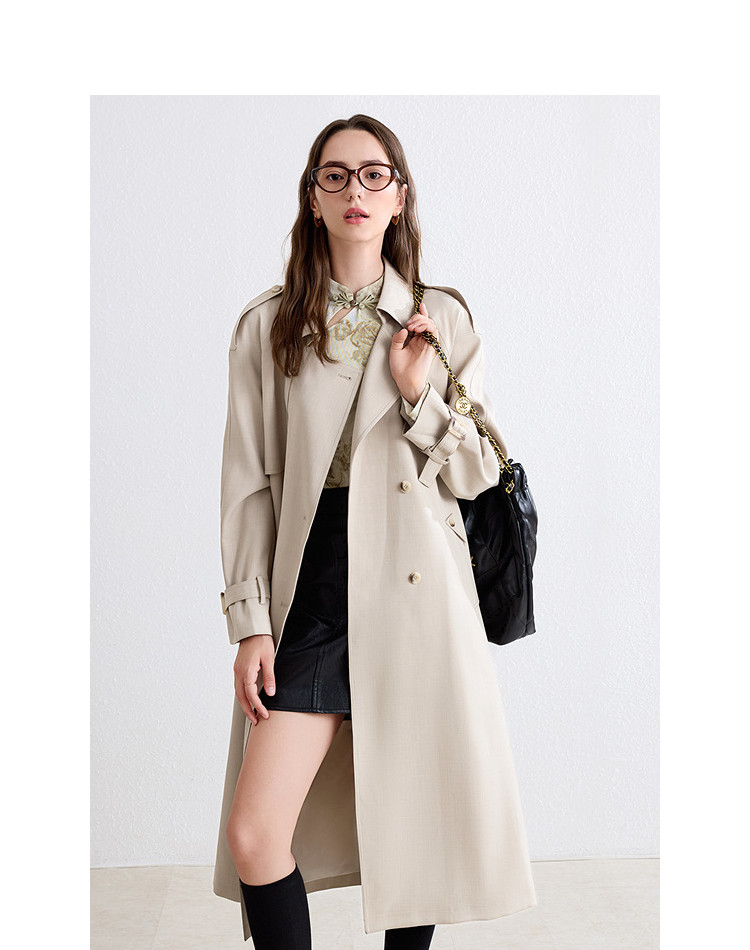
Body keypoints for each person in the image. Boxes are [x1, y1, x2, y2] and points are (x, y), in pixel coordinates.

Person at [213, 114, 537, 949]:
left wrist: (419, 394)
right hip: (313, 587)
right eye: (335, 175)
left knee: (413, 837)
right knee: (257, 834)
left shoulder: (441, 319)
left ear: (399, 197)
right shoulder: (268, 326)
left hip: (417, 585)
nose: (354, 189)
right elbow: (248, 485)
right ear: (313, 198)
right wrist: (250, 622)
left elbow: (478, 473)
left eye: (373, 174)